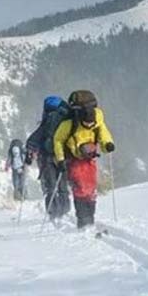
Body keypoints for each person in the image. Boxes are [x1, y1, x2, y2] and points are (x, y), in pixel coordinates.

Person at [52, 90, 115, 229]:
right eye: (87, 124)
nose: (89, 126)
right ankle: (83, 219)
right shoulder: (69, 124)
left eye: (91, 124)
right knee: (80, 188)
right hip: (74, 159)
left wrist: (108, 144)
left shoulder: (98, 121)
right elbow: (58, 140)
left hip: (90, 158)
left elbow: (103, 134)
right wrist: (61, 159)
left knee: (91, 188)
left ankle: (89, 218)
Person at [27, 96, 71, 219]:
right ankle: (65, 208)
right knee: (62, 184)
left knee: (50, 186)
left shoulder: (47, 121)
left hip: (47, 157)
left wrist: (30, 152)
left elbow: (34, 139)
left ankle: (53, 211)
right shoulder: (66, 120)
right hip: (63, 157)